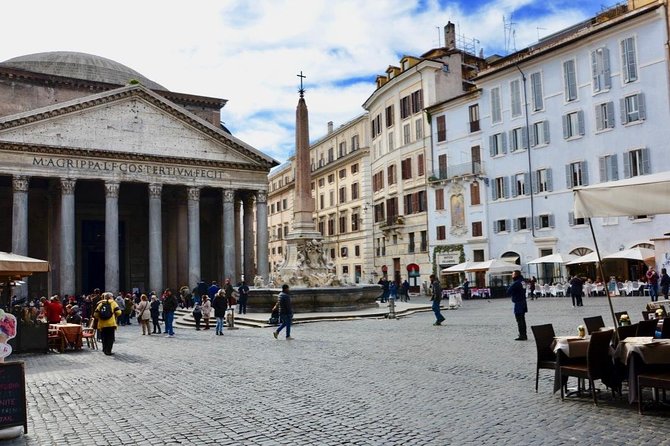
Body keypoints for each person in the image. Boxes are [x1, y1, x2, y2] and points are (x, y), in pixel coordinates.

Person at [507, 270, 527, 341]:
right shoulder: (523, 282)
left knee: (519, 320)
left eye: (512, 275)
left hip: (518, 303)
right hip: (523, 302)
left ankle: (522, 335)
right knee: (522, 319)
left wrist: (513, 294)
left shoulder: (516, 283)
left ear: (516, 275)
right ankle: (524, 334)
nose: (512, 276)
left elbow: (508, 291)